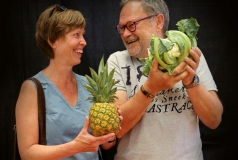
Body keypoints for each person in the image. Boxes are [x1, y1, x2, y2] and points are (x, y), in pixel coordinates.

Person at [107, 0, 223, 159]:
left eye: (132, 25)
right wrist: (151, 87)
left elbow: (214, 120)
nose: (125, 34)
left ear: (159, 21)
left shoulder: (188, 55)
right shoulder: (117, 61)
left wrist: (190, 81)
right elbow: (116, 129)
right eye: (122, 28)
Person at [15, 4, 122, 160]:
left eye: (83, 35)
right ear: (52, 41)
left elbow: (106, 145)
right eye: (76, 35)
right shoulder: (33, 89)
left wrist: (111, 132)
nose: (84, 42)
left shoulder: (90, 85)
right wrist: (75, 147)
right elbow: (27, 154)